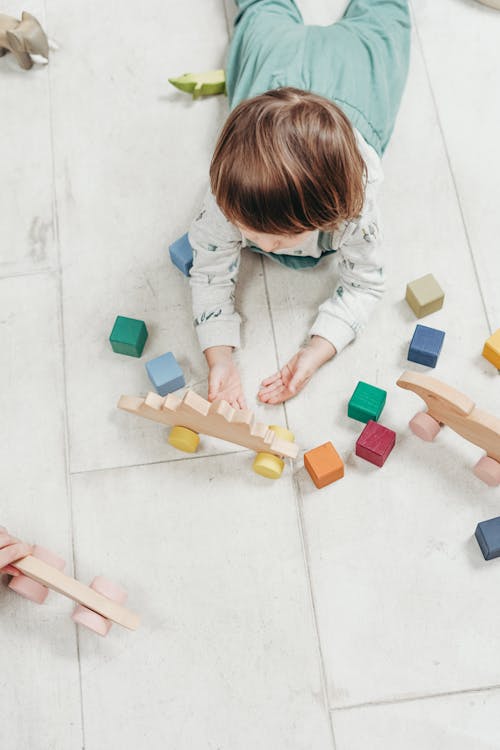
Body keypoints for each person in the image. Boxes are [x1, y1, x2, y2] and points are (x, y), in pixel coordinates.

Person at [188, 0, 411, 408]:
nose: (264, 249)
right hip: (276, 65)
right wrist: (218, 358)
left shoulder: (355, 211)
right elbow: (208, 273)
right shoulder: (229, 197)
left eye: (280, 239)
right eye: (250, 235)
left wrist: (318, 349)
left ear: (332, 214)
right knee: (259, 14)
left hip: (355, 72)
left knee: (387, 24)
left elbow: (366, 281)